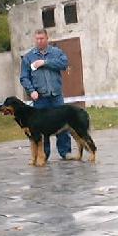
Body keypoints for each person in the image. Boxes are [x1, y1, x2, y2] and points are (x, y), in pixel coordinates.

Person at [20, 28, 72, 159]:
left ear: (47, 38)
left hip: (56, 97)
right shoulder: (28, 57)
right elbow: (24, 77)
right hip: (40, 99)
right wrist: (31, 91)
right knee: (41, 128)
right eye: (37, 39)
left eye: (42, 38)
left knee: (63, 125)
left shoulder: (56, 52)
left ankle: (65, 152)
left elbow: (64, 63)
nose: (39, 41)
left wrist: (45, 62)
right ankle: (44, 154)